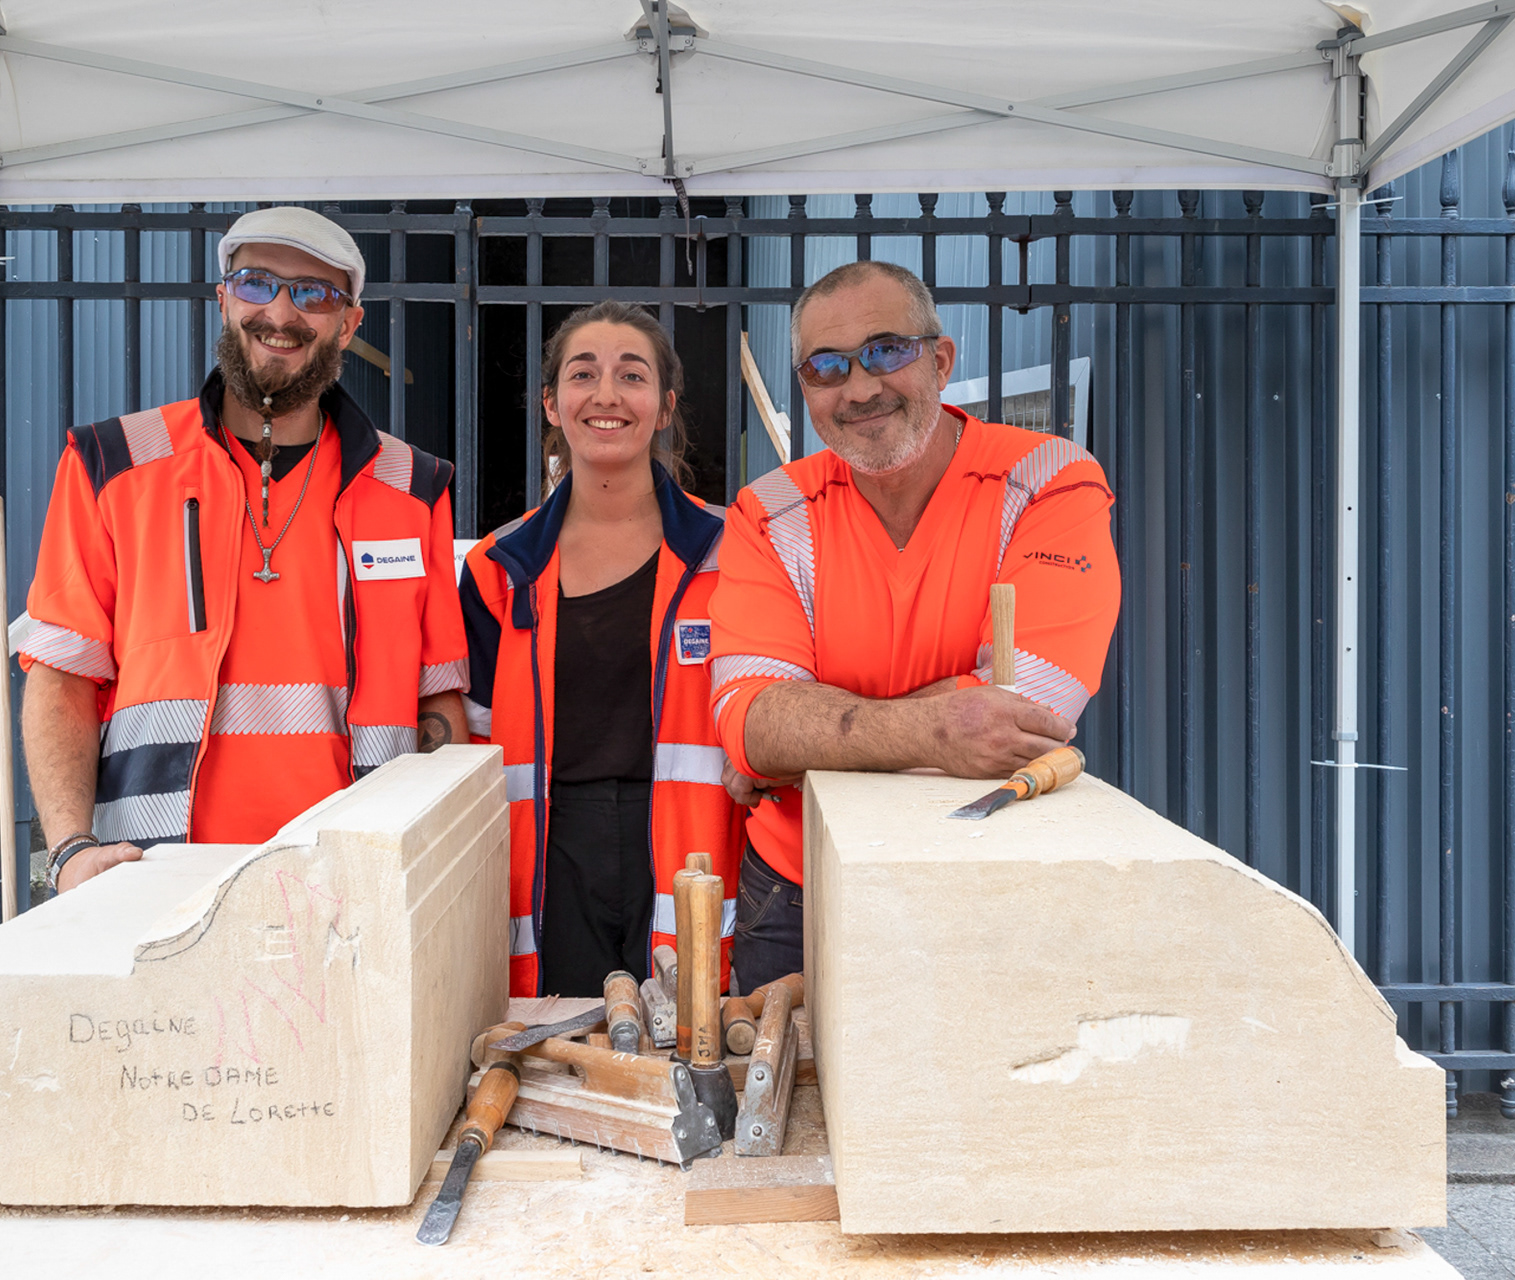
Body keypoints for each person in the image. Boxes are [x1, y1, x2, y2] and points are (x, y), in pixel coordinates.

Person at [17, 206, 469, 894]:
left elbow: (438, 702)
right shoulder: (113, 464)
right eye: (258, 283)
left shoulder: (412, 487)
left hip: (356, 884)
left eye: (315, 294)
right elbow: (61, 678)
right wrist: (71, 849)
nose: (281, 313)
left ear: (349, 324)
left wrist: (443, 867)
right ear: (223, 298)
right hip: (154, 875)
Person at [709, 260, 1121, 992]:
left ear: (940, 359)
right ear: (805, 390)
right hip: (797, 890)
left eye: (887, 350)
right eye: (827, 367)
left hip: (983, 877)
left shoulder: (1048, 481)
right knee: (784, 1100)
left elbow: (1029, 712)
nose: (860, 387)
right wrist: (942, 725)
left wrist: (808, 742)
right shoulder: (769, 511)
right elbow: (751, 722)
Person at [461, 301, 744, 998]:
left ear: (665, 404)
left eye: (632, 375)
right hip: (551, 853)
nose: (608, 395)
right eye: (584, 374)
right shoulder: (500, 568)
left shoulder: (735, 551)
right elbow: (468, 750)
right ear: (553, 405)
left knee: (693, 1046)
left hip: (694, 844)